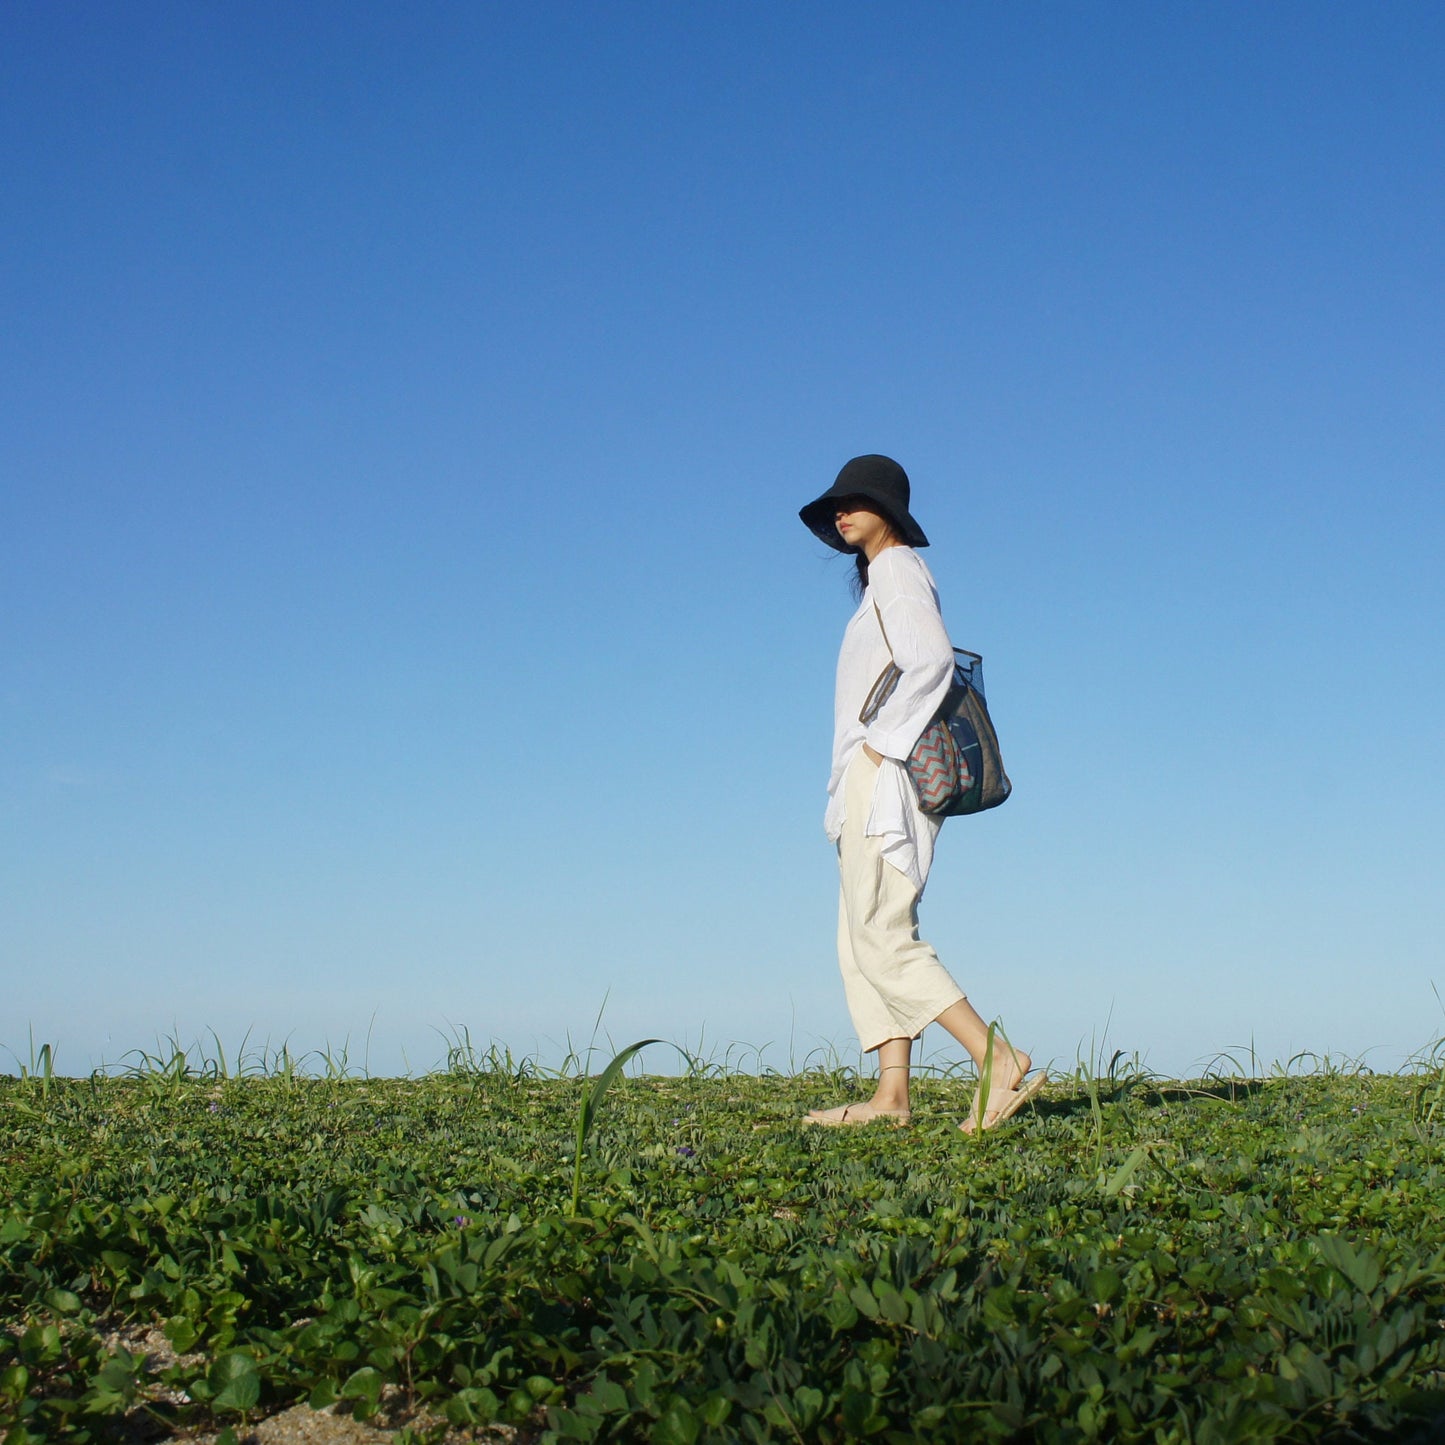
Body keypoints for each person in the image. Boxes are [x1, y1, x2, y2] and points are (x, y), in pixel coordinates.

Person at [797, 454, 1044, 1132]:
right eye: (835, 505)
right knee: (862, 939)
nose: (840, 512)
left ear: (888, 510)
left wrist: (881, 747)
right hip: (867, 776)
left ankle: (995, 1059)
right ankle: (891, 1096)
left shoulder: (899, 569)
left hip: (885, 775)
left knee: (880, 934)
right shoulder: (883, 578)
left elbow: (931, 659)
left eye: (853, 501)